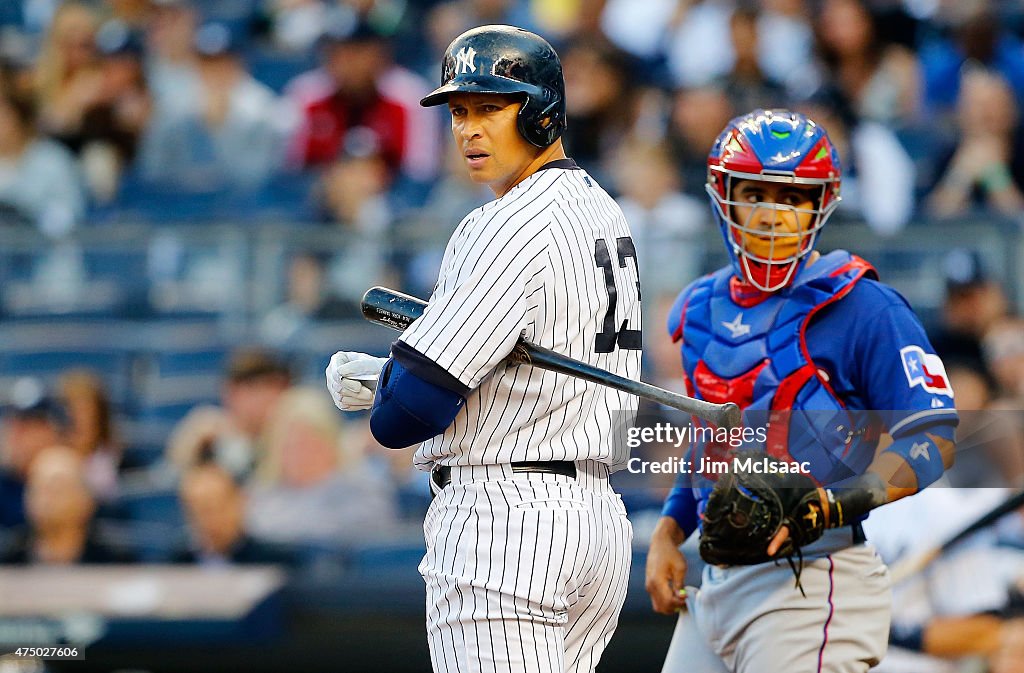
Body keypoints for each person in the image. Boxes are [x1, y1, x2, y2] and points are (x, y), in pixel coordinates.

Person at [325, 25, 639, 673]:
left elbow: (403, 415)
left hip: (506, 522)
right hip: (595, 523)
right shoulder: (603, 210)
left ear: (542, 109)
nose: (468, 128)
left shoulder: (504, 221)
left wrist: (386, 383)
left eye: (490, 108)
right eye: (460, 112)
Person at [644, 109, 959, 673]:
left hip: (813, 579)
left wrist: (834, 503)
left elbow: (932, 439)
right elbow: (710, 440)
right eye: (756, 194)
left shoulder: (865, 306)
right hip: (714, 582)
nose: (772, 215)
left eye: (792, 198)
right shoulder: (699, 309)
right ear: (725, 196)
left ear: (820, 205)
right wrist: (670, 529)